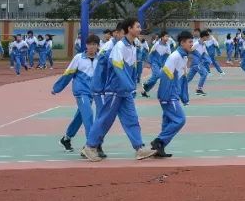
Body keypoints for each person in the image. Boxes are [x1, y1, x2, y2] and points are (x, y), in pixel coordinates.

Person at [81, 18, 156, 162]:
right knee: (105, 119)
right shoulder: (119, 46)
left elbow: (132, 69)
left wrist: (132, 85)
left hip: (125, 91)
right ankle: (89, 147)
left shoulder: (133, 46)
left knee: (132, 119)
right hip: (115, 90)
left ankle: (139, 148)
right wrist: (128, 85)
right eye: (138, 27)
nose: (140, 29)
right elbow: (118, 68)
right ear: (129, 29)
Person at [150, 30, 194, 158]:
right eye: (190, 42)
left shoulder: (183, 57)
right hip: (168, 95)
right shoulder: (175, 56)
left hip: (172, 94)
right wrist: (165, 96)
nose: (192, 44)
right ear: (182, 42)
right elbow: (165, 76)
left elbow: (182, 78)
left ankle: (159, 148)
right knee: (180, 119)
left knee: (168, 123)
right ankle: (158, 141)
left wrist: (184, 97)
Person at [53, 34, 100, 152]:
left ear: (98, 46)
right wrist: (57, 88)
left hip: (92, 93)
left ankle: (66, 138)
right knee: (89, 115)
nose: (92, 47)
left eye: (95, 44)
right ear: (86, 45)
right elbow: (68, 74)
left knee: (80, 117)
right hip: (80, 92)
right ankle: (91, 145)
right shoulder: (78, 58)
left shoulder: (101, 59)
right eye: (90, 44)